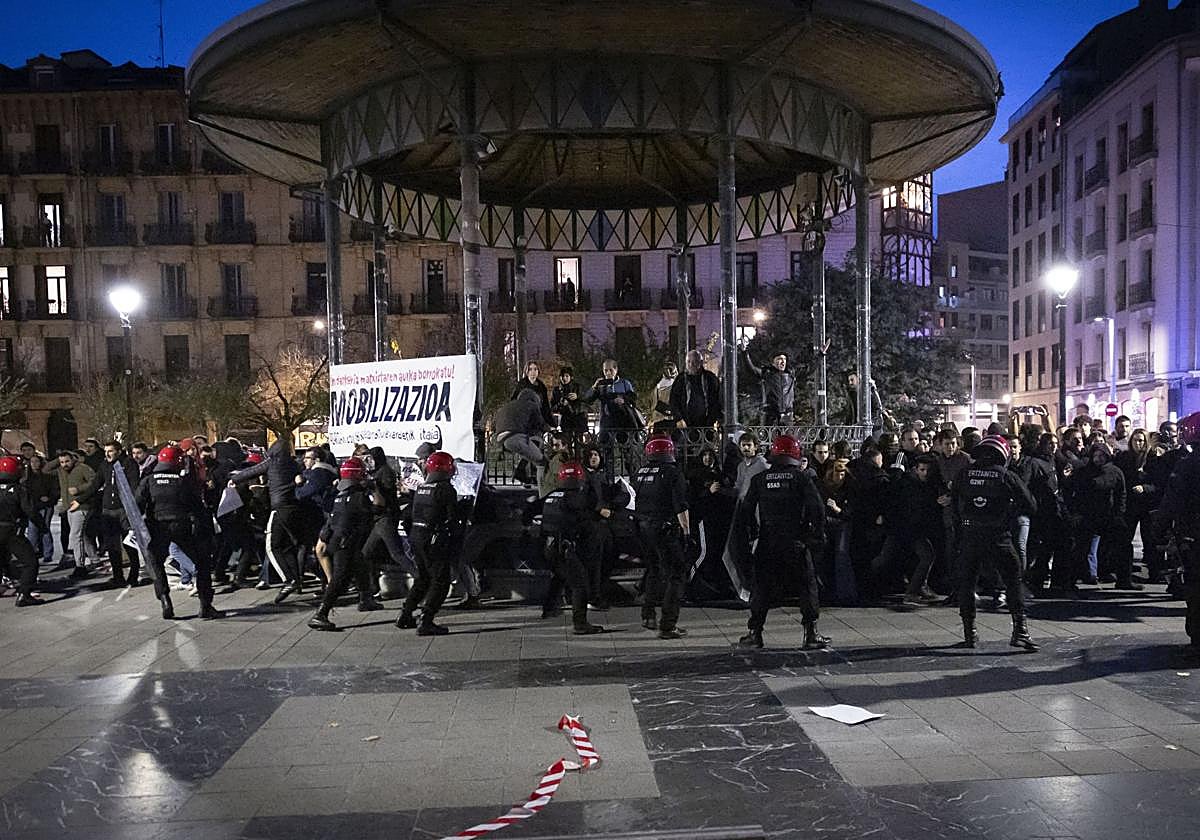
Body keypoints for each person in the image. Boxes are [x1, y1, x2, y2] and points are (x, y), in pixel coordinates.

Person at [736, 435, 827, 649]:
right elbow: (817, 508)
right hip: (796, 541)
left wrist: (751, 535)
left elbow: (746, 510)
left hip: (768, 542)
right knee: (807, 585)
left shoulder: (760, 479)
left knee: (762, 587)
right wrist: (817, 535)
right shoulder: (801, 478)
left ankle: (755, 633)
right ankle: (811, 633)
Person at [953, 435, 1038, 651]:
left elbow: (954, 504)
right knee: (1013, 580)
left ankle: (969, 634)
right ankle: (1020, 631)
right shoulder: (1005, 475)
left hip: (971, 535)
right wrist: (1009, 514)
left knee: (967, 583)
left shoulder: (964, 474)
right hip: (999, 536)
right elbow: (1030, 504)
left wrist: (962, 529)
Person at [136, 445, 222, 621]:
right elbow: (197, 507)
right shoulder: (183, 481)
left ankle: (165, 599)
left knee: (156, 563)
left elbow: (136, 505)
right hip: (183, 526)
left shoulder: (149, 480)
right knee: (202, 563)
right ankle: (205, 605)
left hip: (158, 527)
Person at [230, 439, 312, 603]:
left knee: (272, 546)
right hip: (294, 508)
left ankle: (289, 580)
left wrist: (234, 479)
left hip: (279, 508)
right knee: (288, 546)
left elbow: (252, 471)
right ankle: (298, 581)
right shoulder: (295, 464)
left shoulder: (272, 463)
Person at [308, 457, 380, 630]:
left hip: (339, 540)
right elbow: (378, 506)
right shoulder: (358, 497)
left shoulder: (340, 495)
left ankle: (366, 598)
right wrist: (374, 489)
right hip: (346, 543)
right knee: (340, 579)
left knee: (360, 566)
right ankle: (321, 613)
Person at [396, 451, 460, 636]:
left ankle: (405, 613)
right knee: (440, 581)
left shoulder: (423, 488)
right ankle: (426, 619)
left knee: (423, 578)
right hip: (434, 538)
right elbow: (452, 518)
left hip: (417, 536)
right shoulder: (446, 489)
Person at [632, 436, 689, 640]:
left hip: (642, 528)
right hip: (665, 528)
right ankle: (668, 624)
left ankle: (648, 614)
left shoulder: (640, 473)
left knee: (654, 570)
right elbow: (680, 505)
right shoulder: (672, 472)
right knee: (677, 574)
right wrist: (686, 531)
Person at [540, 462, 603, 634]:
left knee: (560, 576)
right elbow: (585, 523)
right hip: (565, 547)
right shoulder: (576, 498)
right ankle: (580, 624)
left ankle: (549, 608)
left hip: (549, 546)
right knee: (580, 585)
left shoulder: (553, 495)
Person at [1154, 412, 1200, 649]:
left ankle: (1196, 639)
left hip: (1192, 534)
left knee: (1194, 587)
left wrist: (1160, 528)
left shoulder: (1187, 465)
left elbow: (1172, 500)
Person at [1064, 441, 1130, 589]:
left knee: (1123, 546)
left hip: (1110, 515)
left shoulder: (1115, 471)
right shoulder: (1084, 472)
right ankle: (1070, 582)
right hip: (1088, 515)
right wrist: (1075, 511)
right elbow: (1070, 490)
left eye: (1102, 455)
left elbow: (1121, 493)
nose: (1099, 458)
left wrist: (1119, 513)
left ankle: (1124, 580)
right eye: (1096, 455)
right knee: (1081, 549)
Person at [97, 440, 141, 587]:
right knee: (112, 545)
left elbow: (134, 485)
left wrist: (135, 507)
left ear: (118, 451)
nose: (107, 454)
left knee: (128, 542)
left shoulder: (128, 464)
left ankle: (134, 575)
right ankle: (117, 576)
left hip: (124, 508)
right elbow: (96, 483)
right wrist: (80, 499)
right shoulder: (104, 465)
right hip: (108, 509)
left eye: (110, 451)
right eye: (105, 452)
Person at [0, 456, 42, 607]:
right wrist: (42, 527)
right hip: (11, 531)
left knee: (4, 560)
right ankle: (24, 593)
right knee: (30, 562)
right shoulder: (18, 490)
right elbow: (30, 511)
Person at [56, 449, 98, 578]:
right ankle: (95, 559)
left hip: (82, 506)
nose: (65, 464)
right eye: (62, 462)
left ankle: (80, 566)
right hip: (69, 506)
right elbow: (46, 469)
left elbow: (95, 481)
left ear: (73, 459)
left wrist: (79, 489)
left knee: (75, 536)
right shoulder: (61, 471)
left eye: (67, 461)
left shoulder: (82, 468)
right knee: (81, 535)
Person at [494, 389, 548, 484]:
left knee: (528, 449)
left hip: (501, 440)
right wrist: (551, 429)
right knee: (542, 462)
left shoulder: (507, 406)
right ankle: (543, 487)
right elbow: (540, 424)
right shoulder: (532, 405)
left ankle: (521, 470)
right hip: (515, 437)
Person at [669, 350, 722, 432]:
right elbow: (673, 401)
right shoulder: (681, 379)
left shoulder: (710, 378)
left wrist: (712, 420)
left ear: (700, 362)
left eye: (694, 362)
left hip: (706, 426)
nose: (691, 365)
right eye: (689, 362)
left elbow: (716, 401)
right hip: (685, 426)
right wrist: (678, 419)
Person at [741, 347, 795, 425]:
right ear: (773, 362)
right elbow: (751, 369)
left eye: (785, 359)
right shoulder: (767, 374)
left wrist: (819, 355)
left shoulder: (790, 375)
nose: (783, 361)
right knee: (769, 436)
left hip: (787, 414)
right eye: (780, 359)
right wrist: (744, 353)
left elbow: (809, 369)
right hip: (770, 414)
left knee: (787, 436)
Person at [24, 453, 57, 565]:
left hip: (45, 506)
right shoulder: (26, 480)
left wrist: (49, 499)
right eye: (32, 462)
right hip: (32, 507)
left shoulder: (47, 477)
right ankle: (32, 553)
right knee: (32, 531)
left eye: (36, 461)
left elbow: (54, 491)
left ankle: (47, 554)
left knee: (44, 529)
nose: (34, 464)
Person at [551, 366, 588, 441]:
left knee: (579, 444)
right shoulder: (557, 390)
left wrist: (577, 397)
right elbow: (553, 407)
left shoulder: (578, 387)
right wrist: (560, 404)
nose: (564, 378)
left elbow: (586, 400)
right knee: (567, 443)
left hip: (578, 420)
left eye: (567, 376)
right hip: (565, 421)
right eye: (562, 376)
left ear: (571, 377)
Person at [512, 361, 553, 427]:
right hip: (524, 418)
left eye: (535, 369)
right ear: (527, 371)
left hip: (538, 417)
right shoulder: (521, 385)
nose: (533, 372)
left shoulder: (541, 386)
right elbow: (514, 401)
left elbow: (545, 406)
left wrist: (551, 424)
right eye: (530, 369)